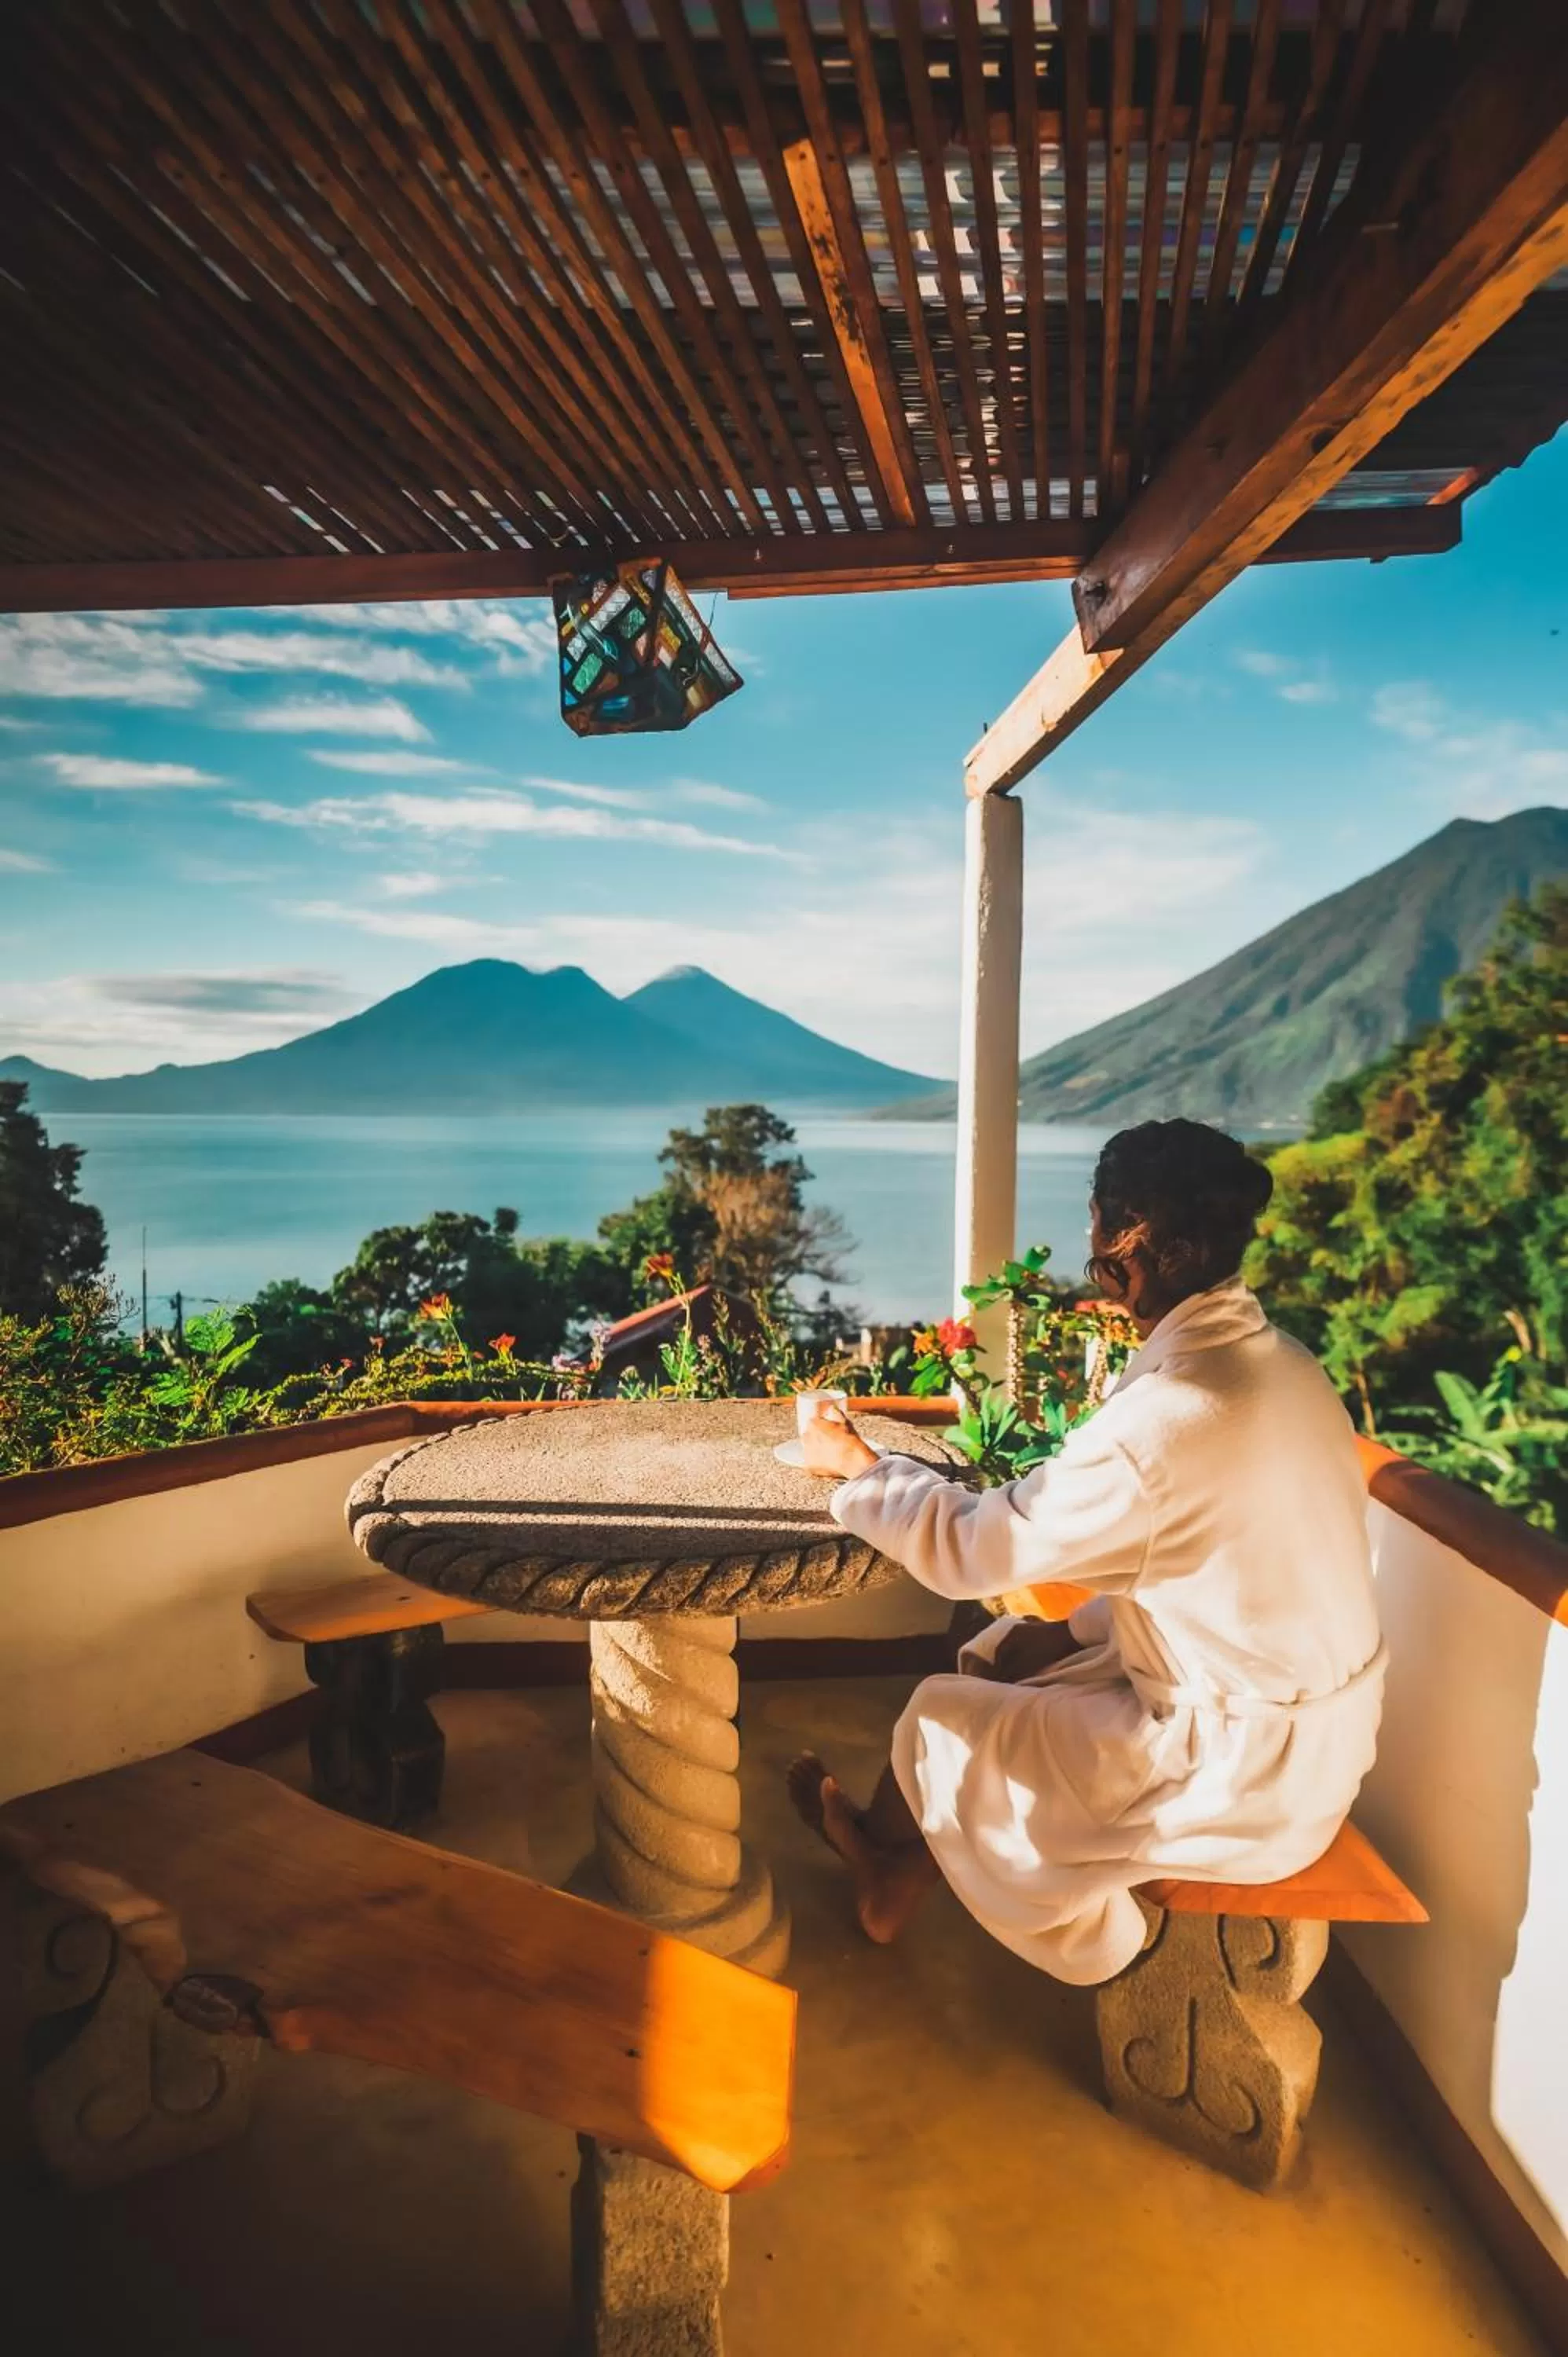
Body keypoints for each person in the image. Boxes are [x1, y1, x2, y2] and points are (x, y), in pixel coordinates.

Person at [787, 1118, 1386, 1987]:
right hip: (1310, 1734)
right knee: (1007, 1650)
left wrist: (861, 1468)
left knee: (936, 1712)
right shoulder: (1282, 1365)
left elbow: (971, 1551)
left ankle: (889, 1875)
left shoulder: (1167, 1417)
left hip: (1232, 1780)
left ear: (1125, 1244)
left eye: (1096, 1221)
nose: (1090, 1243)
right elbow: (1215, 1567)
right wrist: (1077, 1633)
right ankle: (897, 1859)